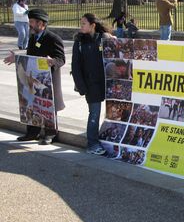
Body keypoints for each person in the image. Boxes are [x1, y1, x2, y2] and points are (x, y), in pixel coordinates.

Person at [4, 8, 65, 145]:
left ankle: (50, 134)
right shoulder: (33, 38)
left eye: (31, 22)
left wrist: (52, 61)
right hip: (32, 78)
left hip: (47, 80)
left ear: (41, 23)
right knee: (32, 104)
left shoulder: (53, 38)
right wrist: (17, 58)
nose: (29, 24)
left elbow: (61, 59)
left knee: (48, 106)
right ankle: (32, 133)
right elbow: (30, 55)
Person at [71, 13, 113, 155]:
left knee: (114, 112)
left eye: (83, 23)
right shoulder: (79, 42)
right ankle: (92, 144)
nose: (81, 26)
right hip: (91, 84)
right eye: (81, 23)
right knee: (94, 114)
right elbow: (75, 66)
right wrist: (82, 87)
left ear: (92, 25)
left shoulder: (104, 38)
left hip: (108, 83)